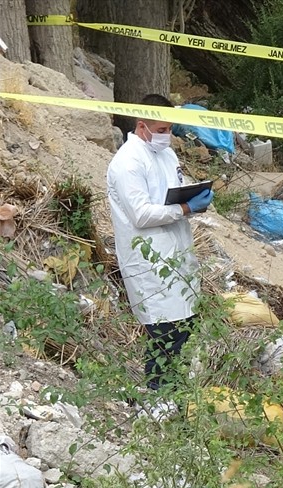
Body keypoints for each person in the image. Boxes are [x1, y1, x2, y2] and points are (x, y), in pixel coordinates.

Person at [107, 94, 214, 393]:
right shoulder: (127, 163)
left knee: (185, 327)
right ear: (142, 127)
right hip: (149, 260)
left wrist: (194, 196)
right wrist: (185, 209)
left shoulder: (167, 155)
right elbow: (140, 214)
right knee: (164, 334)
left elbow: (173, 189)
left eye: (169, 129)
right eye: (162, 130)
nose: (167, 136)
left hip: (177, 253)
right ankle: (157, 400)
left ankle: (173, 398)